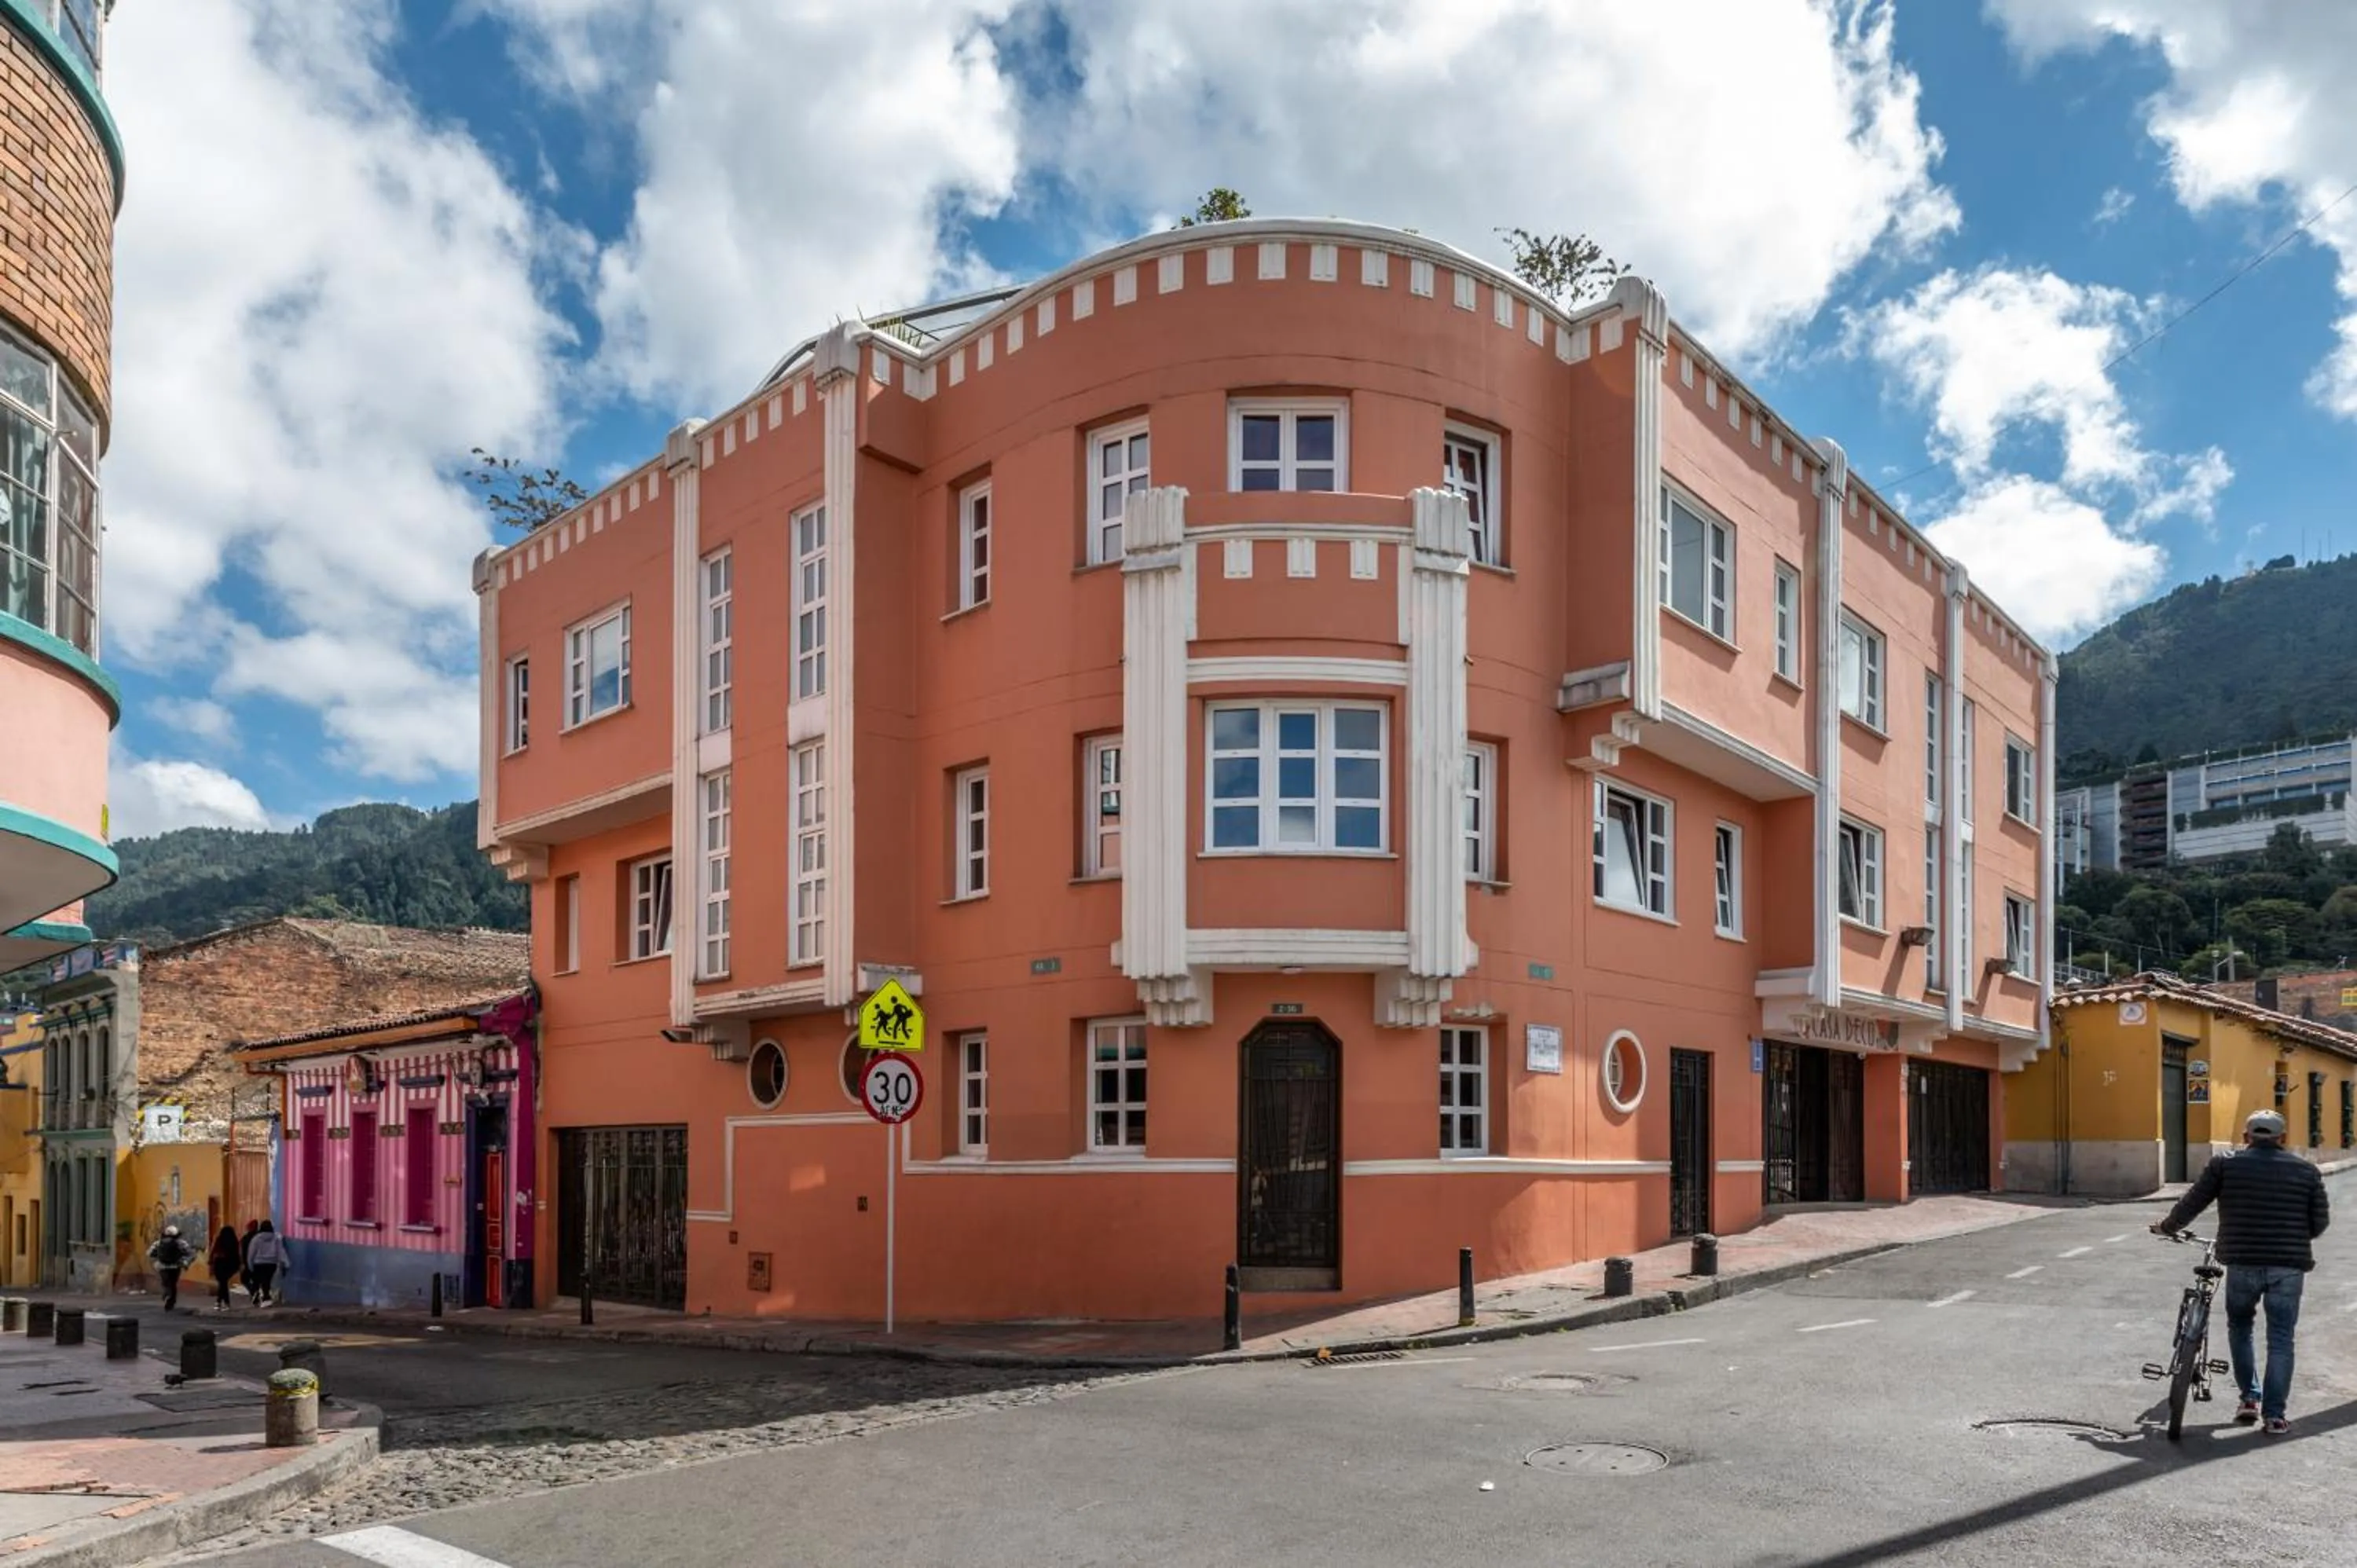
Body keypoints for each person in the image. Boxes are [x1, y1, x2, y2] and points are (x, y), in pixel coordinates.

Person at [2154, 1108, 2332, 1435]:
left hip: (2241, 1261)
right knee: (2281, 1338)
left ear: (2247, 1137)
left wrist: (2168, 1226)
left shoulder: (2226, 1164)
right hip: (2288, 1266)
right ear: (2282, 1138)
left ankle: (2249, 1399)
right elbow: (2319, 1224)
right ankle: (2275, 1416)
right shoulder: (2307, 1171)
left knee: (2240, 1326)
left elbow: (2193, 1202)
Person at [146, 1225, 196, 1311]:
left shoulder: (158, 1243)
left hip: (162, 1266)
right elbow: (191, 1254)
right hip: (176, 1266)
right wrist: (185, 1262)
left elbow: (149, 1253)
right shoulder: (181, 1243)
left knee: (165, 1282)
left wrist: (158, 1259)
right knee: (173, 1283)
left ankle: (167, 1295)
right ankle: (171, 1300)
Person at [244, 1221, 287, 1306]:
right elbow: (280, 1252)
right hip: (271, 1264)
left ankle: (257, 1296)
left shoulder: (256, 1239)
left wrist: (250, 1265)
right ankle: (266, 1297)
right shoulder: (275, 1238)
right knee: (267, 1281)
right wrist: (285, 1263)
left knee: (257, 1281)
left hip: (258, 1264)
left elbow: (251, 1253)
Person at [208, 1225, 243, 1310]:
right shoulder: (234, 1241)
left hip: (219, 1263)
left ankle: (222, 1303)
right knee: (223, 1283)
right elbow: (238, 1253)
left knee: (222, 1283)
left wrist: (211, 1261)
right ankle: (220, 1303)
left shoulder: (219, 1239)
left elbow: (213, 1250)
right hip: (231, 1264)